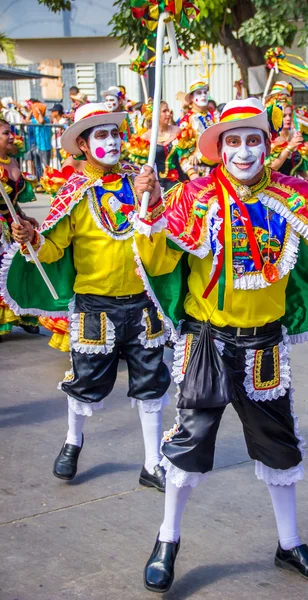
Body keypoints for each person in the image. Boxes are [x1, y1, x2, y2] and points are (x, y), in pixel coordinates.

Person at [131, 98, 308, 592]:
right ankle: (167, 539)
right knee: (188, 444)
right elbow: (159, 260)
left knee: (279, 446)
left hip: (264, 346)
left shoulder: (296, 194)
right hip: (206, 343)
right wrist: (148, 210)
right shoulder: (192, 196)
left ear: (266, 146)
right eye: (233, 140)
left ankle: (290, 544)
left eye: (253, 139)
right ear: (219, 149)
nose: (243, 150)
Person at [3, 103, 171, 491]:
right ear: (81, 144)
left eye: (114, 133)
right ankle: (73, 440)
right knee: (85, 381)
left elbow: (163, 232)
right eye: (101, 135)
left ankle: (151, 463)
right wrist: (32, 240)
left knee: (151, 382)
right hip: (95, 308)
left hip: (144, 304)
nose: (111, 141)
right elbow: (53, 249)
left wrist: (155, 196)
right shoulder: (74, 191)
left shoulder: (141, 180)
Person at [0, 118, 39, 336]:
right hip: (1, 228)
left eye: (11, 132)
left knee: (21, 267)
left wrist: (24, 216)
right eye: (5, 133)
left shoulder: (12, 161)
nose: (11, 136)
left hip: (13, 223)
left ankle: (23, 315)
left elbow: (12, 201)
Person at [128, 101, 195, 191]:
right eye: (164, 111)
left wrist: (194, 177)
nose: (168, 114)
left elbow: (184, 159)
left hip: (179, 183)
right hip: (156, 186)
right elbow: (140, 166)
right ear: (155, 114)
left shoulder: (177, 131)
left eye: (168, 110)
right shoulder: (145, 137)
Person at [177, 80, 217, 178]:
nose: (203, 96)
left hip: (216, 167)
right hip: (198, 170)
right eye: (199, 93)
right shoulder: (187, 121)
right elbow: (182, 154)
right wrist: (192, 173)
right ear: (191, 97)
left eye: (205, 92)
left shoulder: (212, 117)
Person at [24, 100, 52, 180]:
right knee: (37, 164)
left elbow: (41, 121)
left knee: (46, 167)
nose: (33, 113)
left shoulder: (46, 119)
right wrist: (31, 110)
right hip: (38, 146)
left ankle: (49, 183)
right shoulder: (35, 120)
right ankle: (40, 181)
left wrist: (38, 112)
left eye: (34, 112)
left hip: (45, 147)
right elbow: (26, 121)